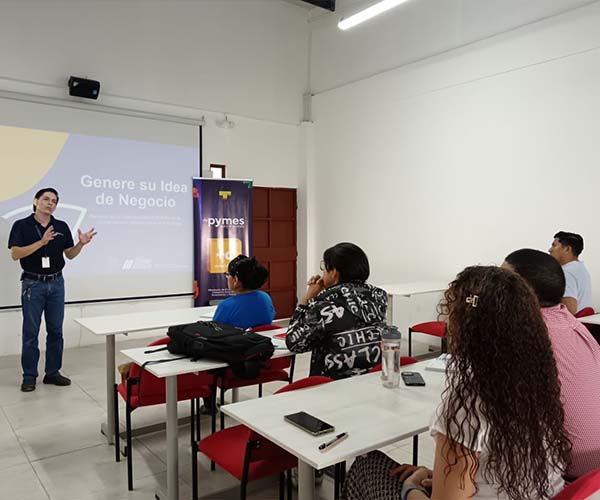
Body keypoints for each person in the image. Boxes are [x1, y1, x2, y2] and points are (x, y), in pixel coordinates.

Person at [342, 266, 569, 500]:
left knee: (366, 467)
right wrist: (440, 477)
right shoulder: (536, 383)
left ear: (467, 329)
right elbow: (493, 468)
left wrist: (411, 487)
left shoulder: (468, 403)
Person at [503, 248, 600, 478]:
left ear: (525, 290)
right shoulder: (572, 323)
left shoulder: (528, 335)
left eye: (502, 281)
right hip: (594, 470)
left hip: (567, 470)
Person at [8, 188, 97, 392]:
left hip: (57, 283)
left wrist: (81, 244)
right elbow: (15, 254)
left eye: (54, 201)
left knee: (55, 330)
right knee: (31, 332)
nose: (50, 203)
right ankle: (29, 375)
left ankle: (53, 372)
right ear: (35, 201)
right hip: (33, 284)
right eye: (46, 199)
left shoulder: (61, 226)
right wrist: (42, 242)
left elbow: (70, 255)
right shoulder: (22, 225)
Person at [285, 242, 387, 379]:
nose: (322, 272)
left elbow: (294, 343)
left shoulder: (324, 306)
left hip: (334, 384)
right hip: (374, 377)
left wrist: (307, 299)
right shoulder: (378, 297)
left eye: (324, 268)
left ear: (333, 272)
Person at [212, 254, 275, 329]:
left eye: (228, 274)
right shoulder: (265, 297)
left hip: (236, 340)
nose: (227, 277)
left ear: (236, 280)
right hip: (262, 338)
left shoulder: (226, 305)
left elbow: (215, 330)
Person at [549, 231, 592, 315]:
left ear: (567, 249)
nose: (550, 249)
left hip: (568, 325)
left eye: (554, 245)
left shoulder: (566, 273)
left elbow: (569, 310)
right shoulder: (580, 268)